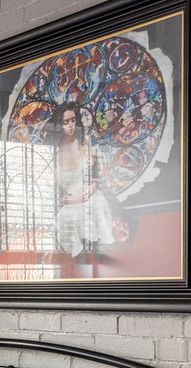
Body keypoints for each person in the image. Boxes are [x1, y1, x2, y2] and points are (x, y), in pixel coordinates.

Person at [54, 102, 114, 258]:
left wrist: (80, 197)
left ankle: (97, 257)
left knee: (96, 208)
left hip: (89, 195)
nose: (70, 125)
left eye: (73, 120)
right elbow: (59, 193)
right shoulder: (56, 153)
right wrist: (69, 200)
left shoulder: (86, 147)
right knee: (65, 219)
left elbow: (94, 181)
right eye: (65, 122)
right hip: (69, 201)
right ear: (59, 125)